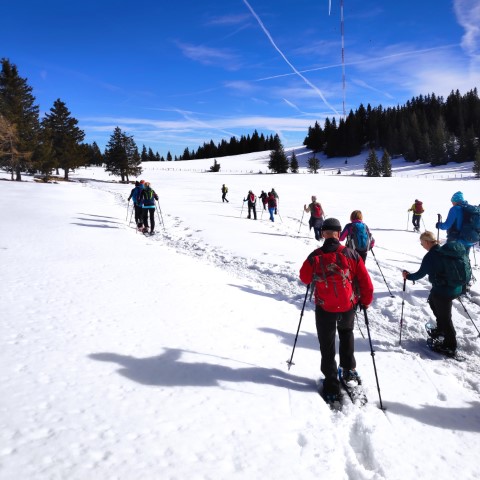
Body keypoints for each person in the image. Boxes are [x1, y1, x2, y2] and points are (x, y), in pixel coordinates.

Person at [299, 218, 374, 404]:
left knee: (327, 343)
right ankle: (348, 371)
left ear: (324, 233)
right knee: (346, 333)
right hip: (348, 305)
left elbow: (304, 277)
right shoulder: (351, 254)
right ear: (339, 233)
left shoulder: (315, 255)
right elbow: (365, 282)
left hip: (325, 307)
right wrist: (365, 302)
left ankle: (331, 382)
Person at [402, 231, 463, 356]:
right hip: (454, 287)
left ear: (427, 241)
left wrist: (408, 276)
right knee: (432, 300)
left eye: (422, 243)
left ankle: (450, 345)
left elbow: (420, 274)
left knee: (446, 318)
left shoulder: (431, 256)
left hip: (444, 291)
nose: (421, 245)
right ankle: (440, 329)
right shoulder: (443, 251)